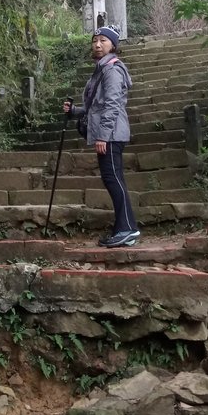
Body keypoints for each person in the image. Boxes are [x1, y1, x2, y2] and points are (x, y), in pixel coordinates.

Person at [63, 25, 140, 248]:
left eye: (103, 41)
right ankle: (123, 228)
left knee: (113, 179)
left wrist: (103, 136)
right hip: (110, 133)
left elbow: (112, 105)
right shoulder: (102, 69)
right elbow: (94, 107)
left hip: (112, 134)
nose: (97, 44)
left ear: (113, 45)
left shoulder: (112, 70)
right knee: (113, 179)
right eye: (95, 40)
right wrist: (74, 112)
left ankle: (128, 229)